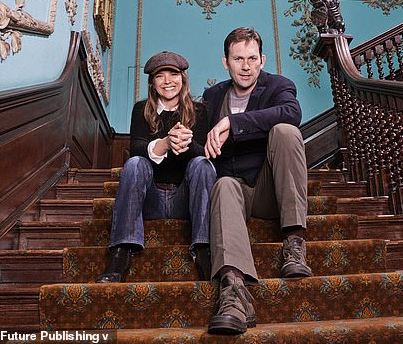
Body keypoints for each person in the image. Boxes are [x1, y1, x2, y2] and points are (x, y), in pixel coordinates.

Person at [202, 27, 311, 334]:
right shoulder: (212, 96)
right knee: (221, 185)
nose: (246, 66)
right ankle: (234, 292)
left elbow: (291, 113)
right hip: (232, 192)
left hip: (268, 189)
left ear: (262, 60)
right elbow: (203, 143)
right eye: (238, 59)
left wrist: (232, 123)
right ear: (226, 62)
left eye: (252, 58)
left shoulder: (278, 86)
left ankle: (294, 242)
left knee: (286, 131)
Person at [96, 51, 216, 283]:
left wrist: (186, 144)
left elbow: (205, 153)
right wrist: (166, 143)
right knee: (134, 164)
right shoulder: (141, 109)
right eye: (160, 76)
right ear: (152, 83)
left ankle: (204, 250)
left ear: (183, 79)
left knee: (202, 164)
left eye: (173, 74)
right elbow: (137, 147)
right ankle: (120, 252)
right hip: (150, 199)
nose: (168, 81)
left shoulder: (201, 111)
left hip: (185, 199)